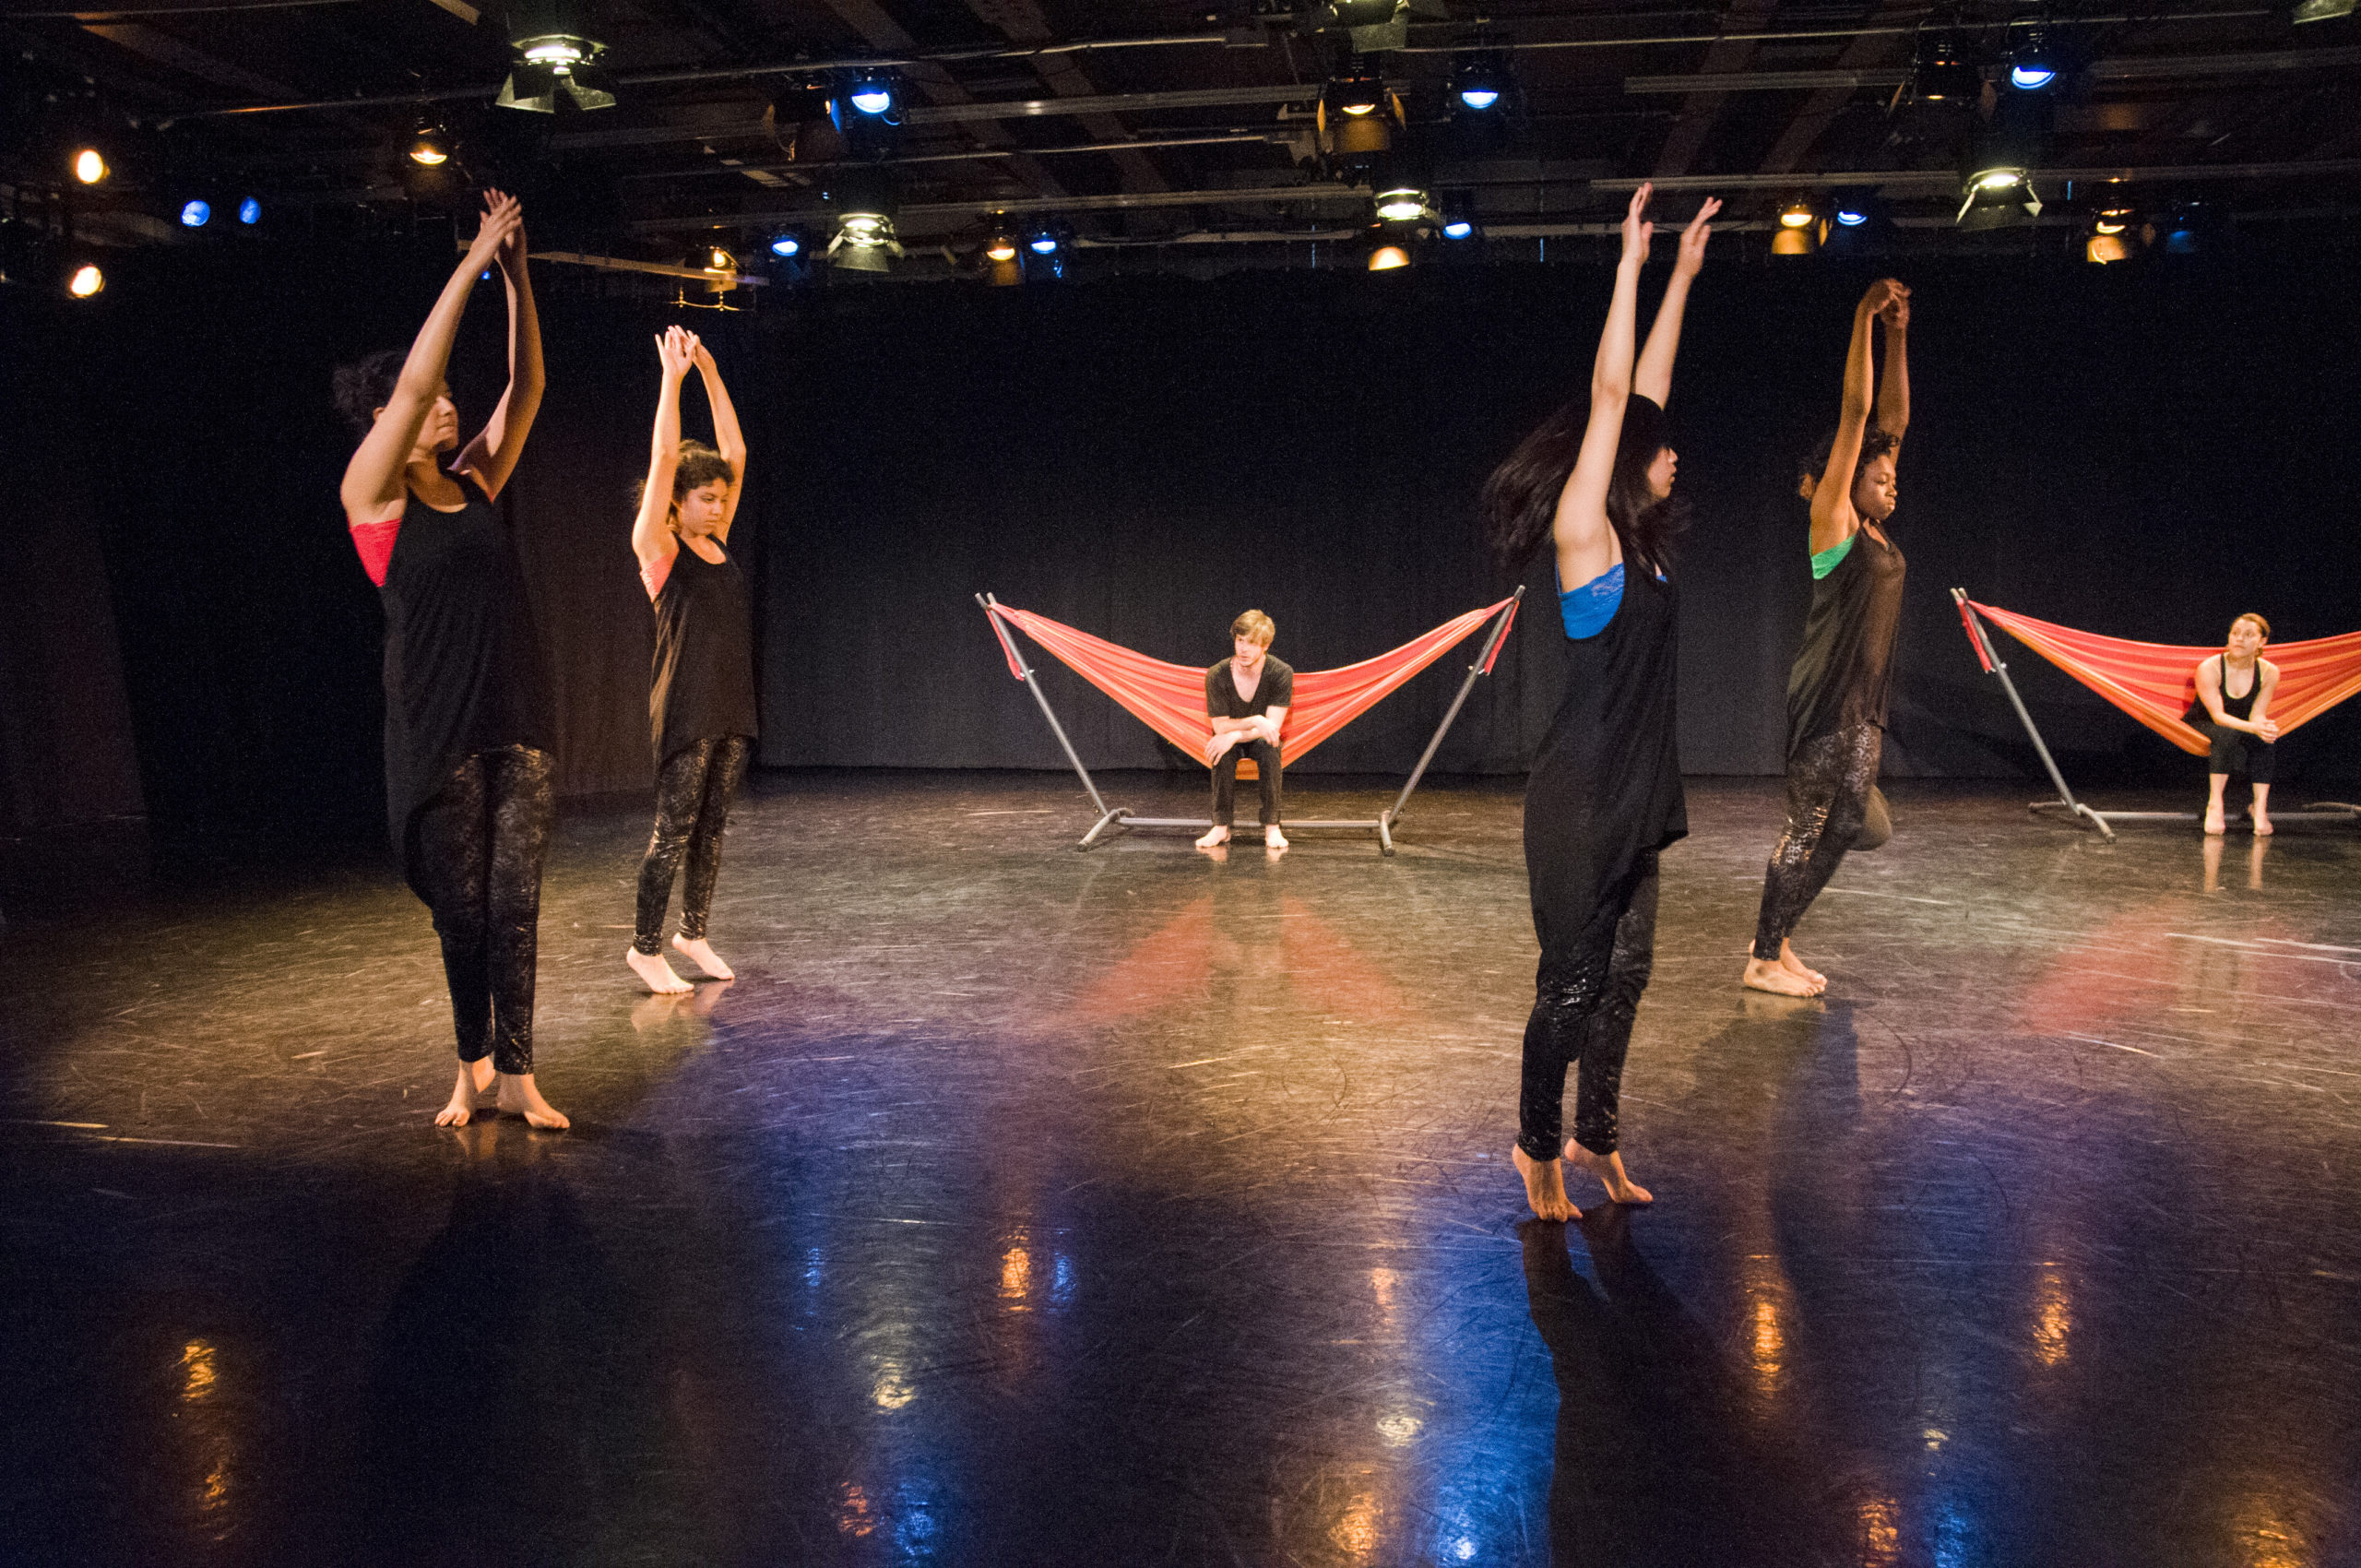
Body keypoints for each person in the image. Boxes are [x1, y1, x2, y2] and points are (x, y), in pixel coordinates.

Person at [1484, 184, 1719, 1221]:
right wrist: (1628, 264)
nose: (1675, 453)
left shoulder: (1645, 544)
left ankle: (1598, 1138)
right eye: (1659, 447)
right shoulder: (1587, 537)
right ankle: (1534, 1145)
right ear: (1625, 458)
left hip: (1635, 796)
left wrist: (1684, 276)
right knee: (1571, 989)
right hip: (1579, 804)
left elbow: (1646, 397)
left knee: (1627, 980)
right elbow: (1617, 395)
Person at [335, 191, 565, 1129]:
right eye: (427, 401)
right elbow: (418, 378)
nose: (445, 403)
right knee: (462, 912)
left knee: (516, 906)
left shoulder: (473, 480)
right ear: (383, 420)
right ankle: (470, 1063)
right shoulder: (370, 496)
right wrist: (470, 261)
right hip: (437, 733)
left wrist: (515, 280)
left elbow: (527, 389)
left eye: (445, 399)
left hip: (517, 717)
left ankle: (519, 1074)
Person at [1742, 276, 1914, 998]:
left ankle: (1775, 942)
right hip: (1827, 702)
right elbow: (1860, 413)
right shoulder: (1835, 526)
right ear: (1842, 481)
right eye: (1879, 475)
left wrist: (1900, 335)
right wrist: (1864, 318)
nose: (1892, 481)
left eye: (1893, 475)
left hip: (1865, 706)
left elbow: (1892, 421)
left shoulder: (1876, 530)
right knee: (1814, 824)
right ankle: (1760, 959)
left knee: (1847, 828)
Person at [626, 326, 755, 993]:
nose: (718, 506)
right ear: (677, 499)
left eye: (722, 498)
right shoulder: (660, 546)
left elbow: (735, 451)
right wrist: (672, 382)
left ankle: (693, 933)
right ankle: (645, 948)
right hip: (686, 705)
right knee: (673, 830)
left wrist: (709, 367)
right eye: (706, 498)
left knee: (712, 829)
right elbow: (663, 454)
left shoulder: (719, 541)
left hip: (731, 701)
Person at [1196, 610, 1293, 854]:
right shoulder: (1217, 674)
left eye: (1251, 642)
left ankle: (1272, 827)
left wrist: (1235, 735)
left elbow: (1272, 728)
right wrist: (1256, 720)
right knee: (1221, 750)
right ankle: (1221, 826)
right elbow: (1220, 726)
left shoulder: (1281, 673)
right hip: (1235, 736)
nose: (1244, 649)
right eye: (1240, 640)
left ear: (1265, 645)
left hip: (1259, 739)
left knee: (1269, 746)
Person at [2189, 612, 2279, 836]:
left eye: (2248, 635)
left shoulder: (2269, 672)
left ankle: (2259, 809)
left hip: (2241, 725)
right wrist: (2253, 727)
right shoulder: (2210, 667)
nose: (2239, 639)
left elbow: (2257, 714)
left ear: (2262, 641)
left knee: (2265, 739)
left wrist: (2263, 727)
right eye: (2235, 633)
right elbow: (2218, 716)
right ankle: (2215, 804)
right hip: (2203, 723)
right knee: (2226, 734)